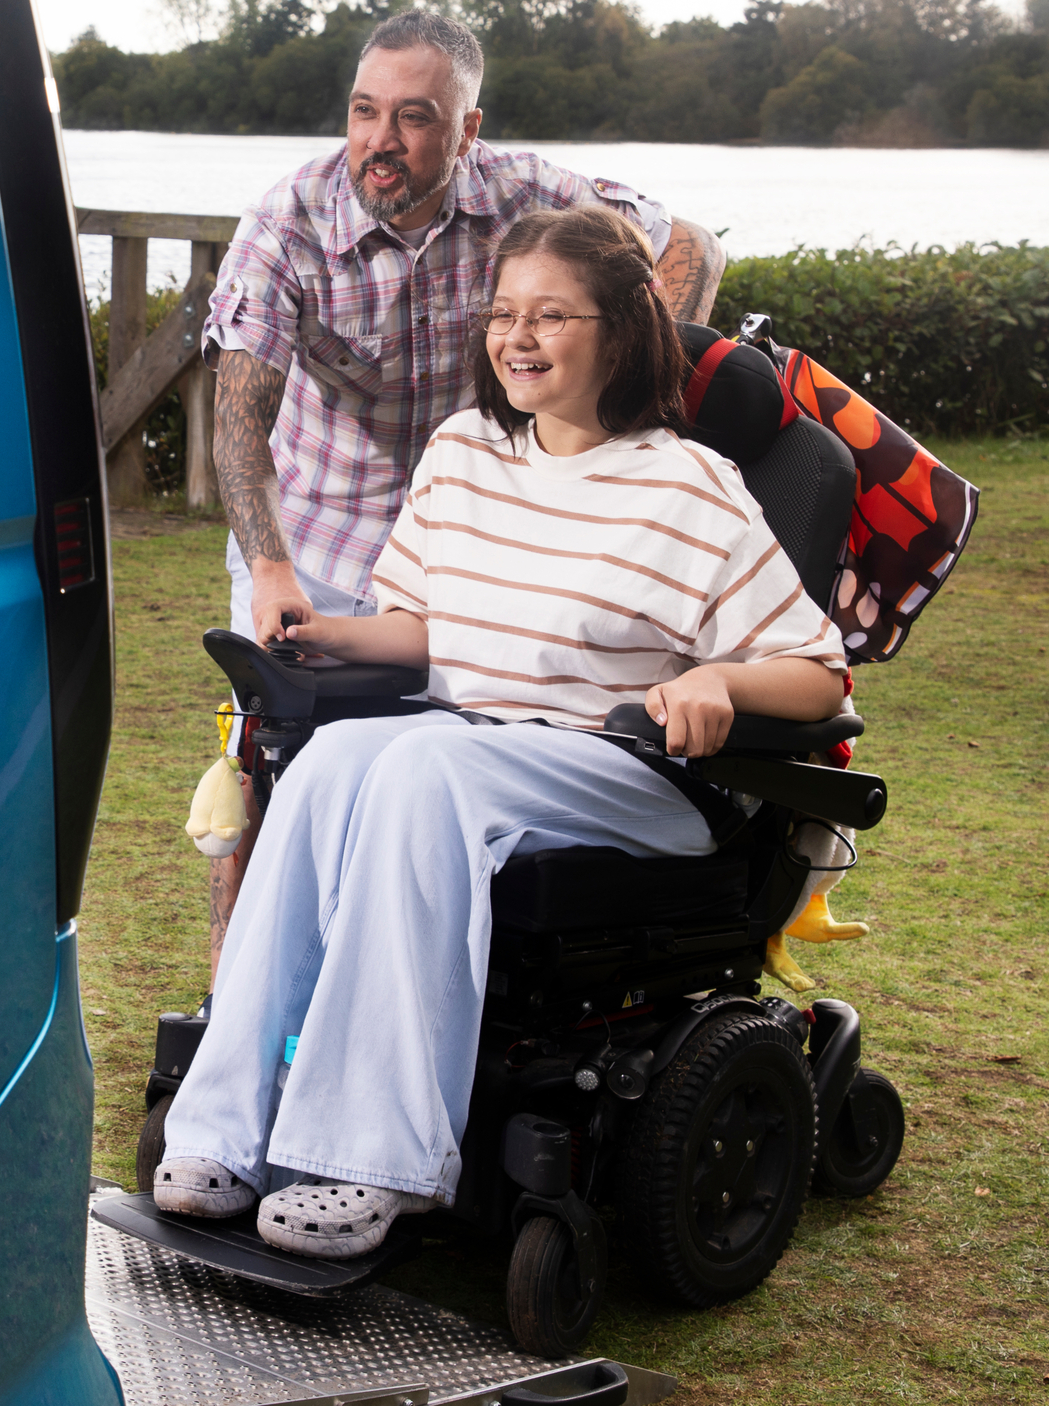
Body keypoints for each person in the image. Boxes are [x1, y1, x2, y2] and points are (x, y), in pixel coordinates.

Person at [155, 206, 847, 1259]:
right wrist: (315, 630)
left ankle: (368, 1156)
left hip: (627, 767)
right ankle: (226, 1128)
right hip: (476, 743)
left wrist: (715, 676)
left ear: (617, 330)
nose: (517, 336)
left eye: (549, 315)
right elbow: (429, 631)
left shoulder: (691, 486)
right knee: (334, 758)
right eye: (502, 315)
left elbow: (818, 673)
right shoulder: (463, 453)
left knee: (424, 762)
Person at [200, 10, 726, 971]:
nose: (380, 141)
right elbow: (237, 423)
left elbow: (686, 243)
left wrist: (633, 393)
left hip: (477, 537)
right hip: (314, 537)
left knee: (441, 782)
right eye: (364, 113)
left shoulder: (527, 193)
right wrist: (272, 572)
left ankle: (430, 991)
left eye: (412, 118)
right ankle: (233, 997)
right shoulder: (289, 220)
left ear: (468, 131)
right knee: (266, 766)